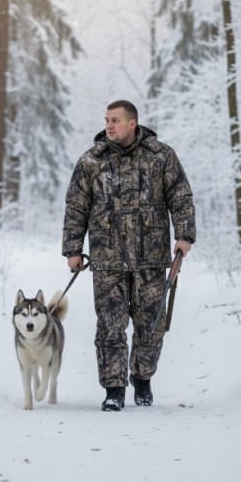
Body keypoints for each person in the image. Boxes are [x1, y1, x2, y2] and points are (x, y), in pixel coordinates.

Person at [62, 100, 196, 411]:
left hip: (151, 258)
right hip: (107, 260)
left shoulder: (161, 156)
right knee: (110, 325)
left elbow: (181, 196)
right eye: (107, 120)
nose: (109, 125)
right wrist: (72, 249)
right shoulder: (91, 161)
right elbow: (76, 207)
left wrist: (185, 235)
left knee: (150, 325)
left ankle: (143, 379)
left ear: (132, 123)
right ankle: (114, 389)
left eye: (116, 120)